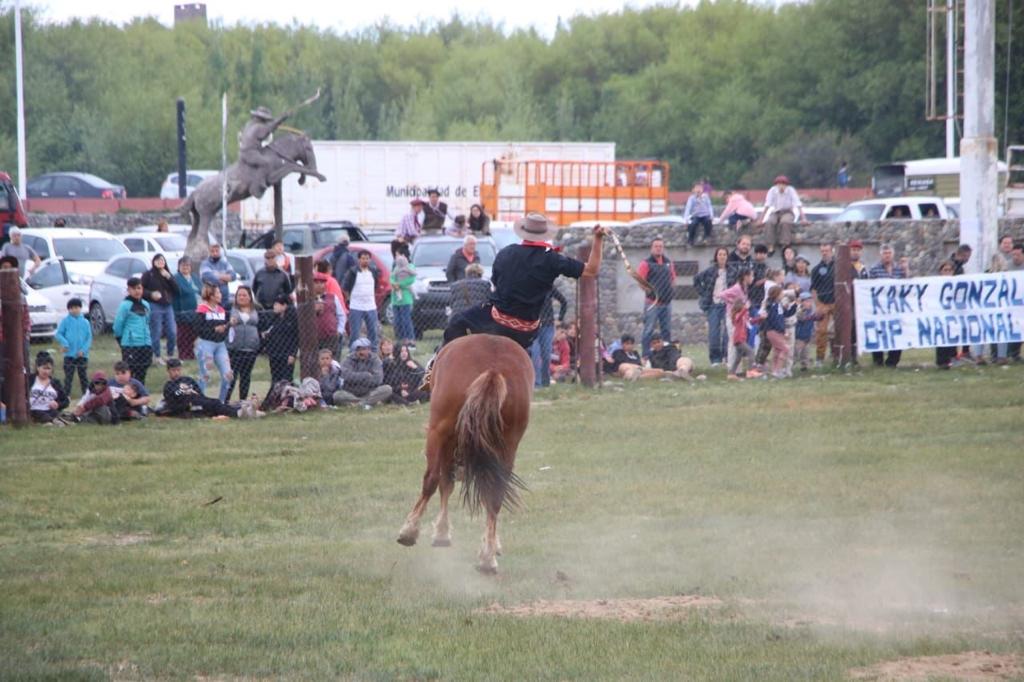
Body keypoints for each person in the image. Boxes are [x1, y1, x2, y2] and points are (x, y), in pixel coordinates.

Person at [439, 214, 605, 353]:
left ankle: (433, 371)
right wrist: (598, 239)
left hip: (497, 321)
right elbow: (592, 270)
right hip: (527, 331)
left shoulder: (506, 253)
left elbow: (495, 286)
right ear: (545, 234)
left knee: (456, 321)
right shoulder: (553, 259)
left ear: (523, 233)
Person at [161, 358, 248, 419]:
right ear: (168, 371)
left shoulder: (188, 380)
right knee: (214, 406)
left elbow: (200, 395)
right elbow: (172, 406)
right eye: (173, 370)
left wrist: (201, 399)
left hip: (198, 400)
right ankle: (239, 413)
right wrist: (187, 406)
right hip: (189, 406)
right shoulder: (169, 386)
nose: (176, 373)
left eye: (178, 370)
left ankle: (242, 410)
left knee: (215, 402)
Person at [636, 237, 677, 359]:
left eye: (661, 246)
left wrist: (670, 291)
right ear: (651, 248)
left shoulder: (668, 262)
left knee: (666, 331)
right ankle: (646, 356)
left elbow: (673, 278)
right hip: (652, 303)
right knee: (648, 330)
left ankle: (667, 355)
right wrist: (648, 291)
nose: (659, 248)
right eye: (656, 246)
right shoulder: (646, 263)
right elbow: (640, 280)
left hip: (666, 303)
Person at [868, 244, 906, 368]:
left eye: (889, 253)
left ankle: (892, 361)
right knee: (878, 333)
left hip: (895, 308)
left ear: (892, 255)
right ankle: (878, 361)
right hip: (879, 308)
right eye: (885, 253)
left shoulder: (899, 269)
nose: (887, 256)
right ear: (881, 255)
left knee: (896, 333)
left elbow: (906, 286)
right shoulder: (874, 269)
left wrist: (907, 270)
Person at [195, 283, 233, 403]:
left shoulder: (222, 310)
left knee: (228, 375)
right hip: (206, 344)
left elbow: (224, 329)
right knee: (205, 375)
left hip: (220, 345)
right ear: (211, 296)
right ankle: (199, 403)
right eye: (218, 293)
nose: (220, 295)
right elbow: (198, 329)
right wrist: (213, 329)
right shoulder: (202, 309)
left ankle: (221, 403)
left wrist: (227, 326)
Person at [112, 277, 153, 384]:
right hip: (130, 345)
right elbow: (118, 325)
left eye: (139, 288)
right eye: (133, 289)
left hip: (145, 344)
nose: (137, 291)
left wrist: (148, 340)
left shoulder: (146, 305)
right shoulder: (125, 305)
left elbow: (147, 322)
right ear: (129, 290)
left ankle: (141, 396)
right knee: (130, 373)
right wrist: (120, 339)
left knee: (142, 373)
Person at [141, 253, 179, 365]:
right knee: (156, 332)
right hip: (154, 305)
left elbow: (177, 290)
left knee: (172, 331)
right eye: (157, 260)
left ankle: (170, 355)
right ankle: (157, 356)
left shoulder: (167, 274)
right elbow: (141, 290)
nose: (160, 262)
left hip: (167, 306)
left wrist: (169, 277)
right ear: (153, 262)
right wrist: (151, 294)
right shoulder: (148, 275)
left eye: (162, 260)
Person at [694, 247, 729, 366]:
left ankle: (726, 356)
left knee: (728, 332)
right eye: (720, 254)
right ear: (716, 257)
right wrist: (704, 293)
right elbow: (696, 280)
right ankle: (715, 359)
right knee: (714, 332)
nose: (722, 257)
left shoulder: (732, 271)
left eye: (724, 254)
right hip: (713, 305)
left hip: (727, 305)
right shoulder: (710, 271)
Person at [225, 285, 261, 402]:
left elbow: (263, 325)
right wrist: (229, 323)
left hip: (251, 349)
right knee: (232, 376)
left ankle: (243, 402)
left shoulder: (257, 309)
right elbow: (223, 323)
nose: (241, 297)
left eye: (244, 295)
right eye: (239, 295)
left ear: (250, 297)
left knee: (245, 376)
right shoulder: (230, 308)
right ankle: (225, 401)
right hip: (234, 348)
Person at [334, 337, 392, 407]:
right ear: (355, 350)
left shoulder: (375, 359)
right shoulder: (348, 359)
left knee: (387, 389)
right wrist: (366, 375)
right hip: (352, 393)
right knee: (337, 395)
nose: (362, 352)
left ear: (369, 349)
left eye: (364, 349)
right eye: (359, 350)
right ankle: (366, 403)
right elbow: (345, 376)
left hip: (370, 392)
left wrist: (355, 379)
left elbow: (378, 379)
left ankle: (358, 404)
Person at [342, 250, 380, 351]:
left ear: (370, 260)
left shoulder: (373, 271)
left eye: (367, 258)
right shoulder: (352, 272)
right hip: (356, 307)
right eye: (363, 258)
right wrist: (349, 299)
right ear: (359, 259)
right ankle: (353, 353)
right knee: (355, 333)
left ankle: (374, 353)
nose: (365, 261)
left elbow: (376, 286)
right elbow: (345, 288)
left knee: (373, 332)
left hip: (371, 307)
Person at [530, 284, 567, 388]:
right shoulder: (527, 285)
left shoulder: (548, 286)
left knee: (546, 355)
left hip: (547, 326)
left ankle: (545, 382)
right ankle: (537, 384)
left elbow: (563, 301)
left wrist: (560, 318)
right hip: (532, 325)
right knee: (535, 354)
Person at [758, 175, 806, 255]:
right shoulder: (772, 191)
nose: (781, 186)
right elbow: (767, 205)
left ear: (786, 185)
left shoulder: (791, 190)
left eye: (783, 184)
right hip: (776, 211)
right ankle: (770, 246)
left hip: (788, 211)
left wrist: (803, 218)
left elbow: (798, 204)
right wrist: (761, 219)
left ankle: (785, 245)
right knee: (770, 222)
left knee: (785, 222)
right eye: (779, 184)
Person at [55, 297, 92, 397]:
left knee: (83, 376)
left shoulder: (85, 322)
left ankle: (86, 395)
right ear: (68, 309)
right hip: (69, 354)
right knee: (68, 377)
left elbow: (89, 338)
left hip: (82, 355)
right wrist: (65, 344)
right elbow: (59, 334)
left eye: (76, 307)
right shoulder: (65, 321)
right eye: (71, 308)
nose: (74, 310)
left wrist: (83, 351)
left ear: (80, 308)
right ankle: (66, 396)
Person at [810, 243, 836, 367]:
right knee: (821, 331)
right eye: (823, 251)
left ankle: (838, 355)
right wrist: (818, 305)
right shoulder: (816, 269)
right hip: (823, 303)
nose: (825, 253)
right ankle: (820, 358)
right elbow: (813, 289)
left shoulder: (839, 266)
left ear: (832, 251)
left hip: (837, 303)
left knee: (839, 330)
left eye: (827, 250)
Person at [762, 286, 797, 378]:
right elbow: (774, 320)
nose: (783, 295)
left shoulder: (779, 305)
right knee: (785, 349)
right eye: (781, 293)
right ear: (776, 295)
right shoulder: (773, 306)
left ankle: (775, 370)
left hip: (777, 331)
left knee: (777, 351)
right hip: (773, 331)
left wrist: (794, 304)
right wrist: (783, 330)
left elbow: (787, 314)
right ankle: (778, 370)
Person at [263, 294, 298, 383]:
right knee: (275, 378)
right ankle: (276, 395)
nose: (274, 306)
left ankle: (286, 395)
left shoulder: (292, 320)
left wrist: (292, 354)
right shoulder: (274, 319)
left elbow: (295, 338)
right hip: (274, 354)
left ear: (284, 305)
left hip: (286, 354)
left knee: (286, 378)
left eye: (277, 304)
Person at [173, 258, 202, 360]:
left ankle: (190, 354)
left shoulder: (195, 277)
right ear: (179, 267)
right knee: (183, 334)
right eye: (183, 265)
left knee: (192, 334)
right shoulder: (176, 278)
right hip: (182, 311)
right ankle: (183, 355)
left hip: (197, 310)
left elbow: (201, 290)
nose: (185, 267)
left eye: (188, 265)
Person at [29, 353, 69, 425]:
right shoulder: (30, 379)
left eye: (48, 368)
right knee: (40, 414)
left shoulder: (55, 383)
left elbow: (66, 401)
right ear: (38, 368)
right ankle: (52, 421)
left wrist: (58, 404)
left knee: (54, 413)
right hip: (35, 410)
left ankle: (53, 421)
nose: (46, 371)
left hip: (50, 410)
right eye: (44, 368)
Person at [934, 260, 959, 369]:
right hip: (940, 314)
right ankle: (941, 361)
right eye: (945, 270)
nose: (947, 272)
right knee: (941, 337)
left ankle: (952, 358)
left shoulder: (957, 282)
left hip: (953, 314)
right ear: (941, 271)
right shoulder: (935, 284)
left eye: (950, 270)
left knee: (952, 336)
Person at [313, 272, 347, 353]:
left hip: (330, 337)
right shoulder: (307, 299)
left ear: (325, 284)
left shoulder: (333, 297)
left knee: (332, 361)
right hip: (313, 338)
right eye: (316, 283)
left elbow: (341, 315)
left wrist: (339, 330)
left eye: (321, 283)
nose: (319, 285)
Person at [726, 300, 760, 380]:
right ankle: (751, 371)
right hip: (739, 339)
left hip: (742, 339)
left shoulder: (744, 317)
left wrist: (760, 318)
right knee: (751, 352)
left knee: (738, 357)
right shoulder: (736, 316)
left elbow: (751, 322)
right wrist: (745, 309)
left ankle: (731, 373)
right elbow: (738, 318)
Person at [390, 254, 416, 348]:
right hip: (395, 299)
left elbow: (411, 279)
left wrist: (399, 284)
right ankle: (400, 340)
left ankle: (410, 340)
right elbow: (391, 277)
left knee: (406, 320)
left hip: (406, 299)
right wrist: (394, 284)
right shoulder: (396, 268)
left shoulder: (410, 267)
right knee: (397, 320)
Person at [200, 243, 236, 309]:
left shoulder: (225, 263)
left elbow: (233, 276)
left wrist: (218, 275)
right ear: (209, 252)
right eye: (212, 251)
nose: (215, 253)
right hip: (211, 299)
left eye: (217, 251)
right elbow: (208, 277)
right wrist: (225, 279)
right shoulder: (205, 264)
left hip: (225, 299)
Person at [794, 292, 820, 372]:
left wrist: (818, 316)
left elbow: (815, 319)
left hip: (807, 334)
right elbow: (801, 318)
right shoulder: (799, 310)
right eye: (807, 301)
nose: (810, 303)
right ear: (801, 302)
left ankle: (804, 366)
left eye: (810, 301)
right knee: (796, 351)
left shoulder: (811, 310)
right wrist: (804, 310)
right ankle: (789, 365)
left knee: (805, 351)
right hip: (799, 335)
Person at [681, 181, 714, 246]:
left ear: (702, 189)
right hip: (696, 215)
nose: (698, 190)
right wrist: (686, 219)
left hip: (705, 215)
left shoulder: (706, 197)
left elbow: (709, 206)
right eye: (697, 188)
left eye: (700, 188)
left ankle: (706, 237)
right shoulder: (692, 198)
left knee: (708, 222)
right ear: (694, 190)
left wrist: (711, 215)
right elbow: (688, 208)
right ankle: (690, 239)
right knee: (693, 224)